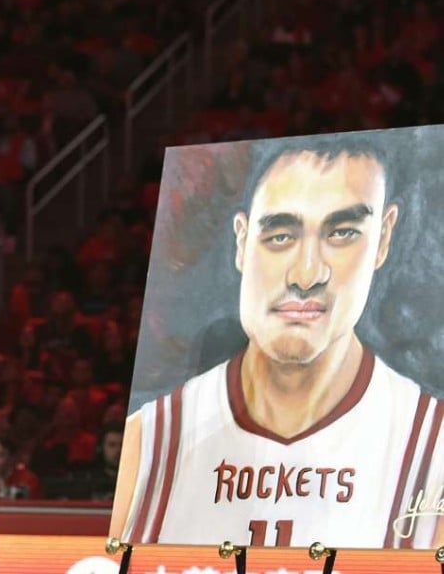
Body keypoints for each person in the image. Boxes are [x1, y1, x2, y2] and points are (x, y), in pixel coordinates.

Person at [112, 138, 444, 548]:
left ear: (383, 238)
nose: (306, 275)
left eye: (342, 233)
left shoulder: (433, 449)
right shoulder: (151, 441)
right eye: (281, 235)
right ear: (241, 240)